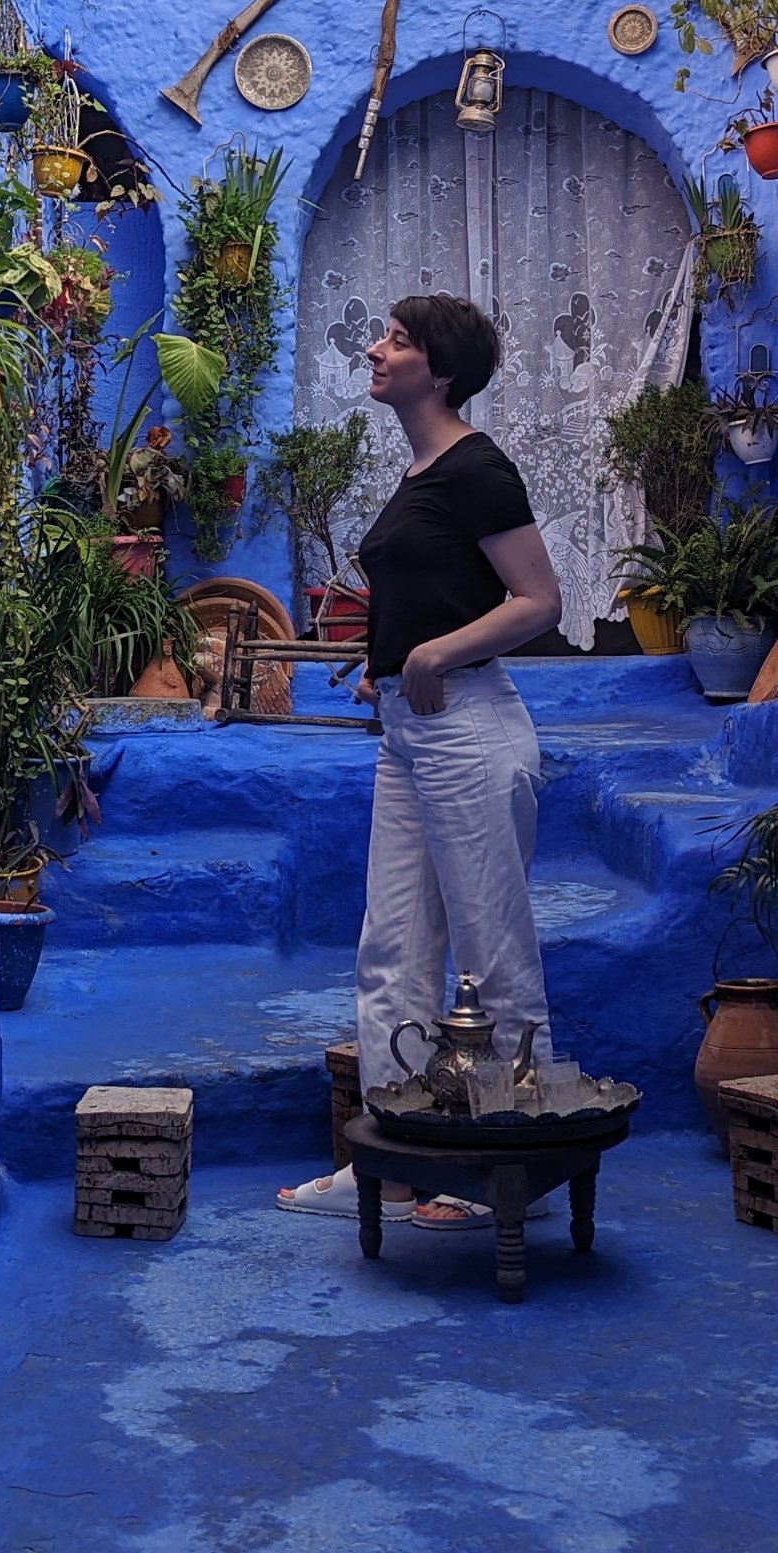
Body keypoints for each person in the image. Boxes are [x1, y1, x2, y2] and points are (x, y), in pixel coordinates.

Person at [278, 292, 562, 1227]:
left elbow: (539, 602)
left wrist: (437, 654)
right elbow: (431, 596)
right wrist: (387, 669)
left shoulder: (478, 467)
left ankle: (503, 1173)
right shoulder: (420, 473)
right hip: (410, 733)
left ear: (439, 370)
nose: (375, 349)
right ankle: (389, 1169)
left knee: (492, 957)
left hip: (472, 730)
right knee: (392, 952)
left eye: (396, 341)